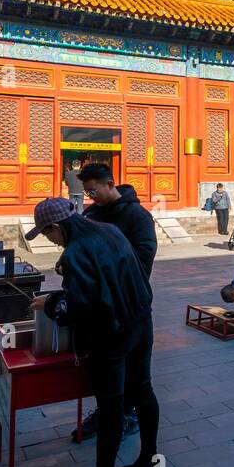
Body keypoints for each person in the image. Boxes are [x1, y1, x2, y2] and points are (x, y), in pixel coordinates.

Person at [26, 198, 159, 467]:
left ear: (57, 227)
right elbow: (114, 278)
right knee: (143, 390)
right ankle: (150, 460)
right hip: (140, 320)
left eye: (47, 234)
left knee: (111, 407)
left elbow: (82, 306)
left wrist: (49, 303)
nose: (49, 240)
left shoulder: (76, 251)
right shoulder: (110, 231)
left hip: (111, 336)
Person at [75, 162, 158, 444]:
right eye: (87, 192)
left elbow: (141, 263)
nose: (90, 197)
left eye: (94, 190)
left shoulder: (138, 218)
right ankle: (109, 414)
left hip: (131, 308)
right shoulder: (91, 214)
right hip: (99, 311)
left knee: (137, 376)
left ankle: (130, 416)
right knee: (105, 375)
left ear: (111, 184)